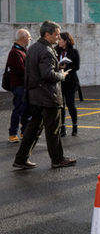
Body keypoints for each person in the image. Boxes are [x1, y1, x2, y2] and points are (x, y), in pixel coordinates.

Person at [13, 21, 76, 169]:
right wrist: (61, 74)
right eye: (56, 34)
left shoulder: (33, 48)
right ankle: (57, 159)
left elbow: (36, 71)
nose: (58, 36)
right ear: (47, 35)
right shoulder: (47, 51)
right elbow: (47, 74)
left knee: (33, 128)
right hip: (48, 96)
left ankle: (21, 158)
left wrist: (55, 67)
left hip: (35, 96)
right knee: (53, 129)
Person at [6, 29, 31, 143]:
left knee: (26, 109)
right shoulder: (15, 52)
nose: (30, 39)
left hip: (24, 85)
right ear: (22, 38)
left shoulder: (23, 50)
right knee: (19, 109)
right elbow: (20, 70)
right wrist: (33, 71)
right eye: (28, 37)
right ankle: (12, 134)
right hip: (19, 85)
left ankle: (25, 131)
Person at [57, 32, 80, 137]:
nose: (58, 41)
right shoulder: (55, 51)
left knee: (70, 104)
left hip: (70, 81)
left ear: (66, 41)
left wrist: (66, 67)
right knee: (61, 106)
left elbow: (76, 66)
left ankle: (75, 126)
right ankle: (62, 127)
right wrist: (59, 67)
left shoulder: (74, 52)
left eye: (60, 39)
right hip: (59, 81)